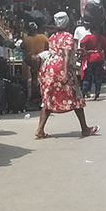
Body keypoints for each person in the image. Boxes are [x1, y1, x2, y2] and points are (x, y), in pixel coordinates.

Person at [35, 11, 99, 139]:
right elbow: (65, 55)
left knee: (48, 98)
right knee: (75, 96)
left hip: (48, 67)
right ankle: (85, 129)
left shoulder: (53, 36)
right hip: (60, 67)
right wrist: (65, 73)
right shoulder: (67, 36)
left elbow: (56, 51)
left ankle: (40, 130)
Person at [21, 22, 49, 102]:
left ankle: (33, 96)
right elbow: (48, 47)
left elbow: (22, 47)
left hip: (32, 62)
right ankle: (42, 96)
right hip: (42, 61)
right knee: (42, 79)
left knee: (33, 80)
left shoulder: (26, 39)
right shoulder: (43, 37)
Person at [79, 28, 106, 100]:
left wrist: (84, 49)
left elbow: (81, 43)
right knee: (98, 77)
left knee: (87, 77)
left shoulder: (88, 37)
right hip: (99, 58)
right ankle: (97, 93)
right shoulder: (102, 38)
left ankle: (83, 93)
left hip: (90, 59)